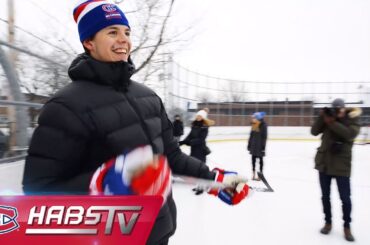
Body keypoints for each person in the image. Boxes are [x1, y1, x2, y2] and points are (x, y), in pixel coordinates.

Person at [22, 1, 249, 245]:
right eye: (112, 32)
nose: (123, 40)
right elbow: (38, 188)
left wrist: (213, 178)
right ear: (89, 42)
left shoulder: (148, 97)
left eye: (126, 32)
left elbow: (170, 157)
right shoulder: (65, 106)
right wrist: (100, 183)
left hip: (157, 233)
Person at [311, 98, 361, 242]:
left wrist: (332, 122)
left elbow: (349, 134)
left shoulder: (352, 119)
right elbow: (314, 131)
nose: (338, 111)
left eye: (340, 109)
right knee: (325, 197)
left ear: (344, 109)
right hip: (324, 164)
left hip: (341, 166)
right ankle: (328, 222)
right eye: (335, 109)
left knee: (345, 199)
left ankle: (347, 226)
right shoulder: (328, 119)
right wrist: (323, 117)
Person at [247, 112, 267, 180]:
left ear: (258, 118)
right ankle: (253, 173)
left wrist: (263, 147)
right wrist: (249, 145)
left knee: (260, 160)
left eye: (254, 117)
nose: (253, 119)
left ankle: (260, 174)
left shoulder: (263, 125)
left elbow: (264, 137)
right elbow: (251, 135)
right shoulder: (254, 125)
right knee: (253, 160)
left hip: (260, 146)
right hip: (253, 145)